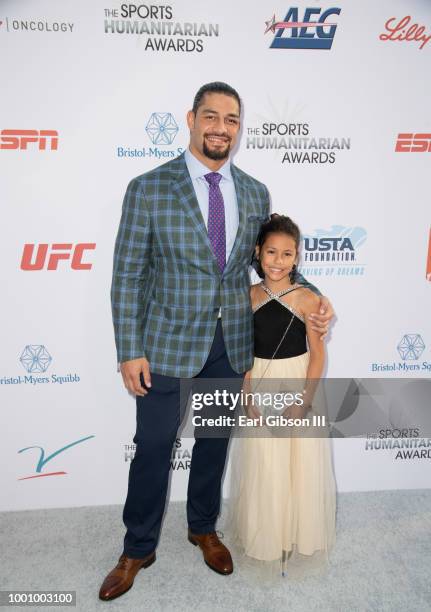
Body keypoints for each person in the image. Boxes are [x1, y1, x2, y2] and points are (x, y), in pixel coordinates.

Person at [99, 82, 334, 601]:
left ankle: (203, 527)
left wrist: (313, 294)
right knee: (154, 447)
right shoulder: (149, 188)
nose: (220, 127)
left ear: (239, 128)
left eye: (231, 119)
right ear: (191, 119)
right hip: (163, 345)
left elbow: (271, 265)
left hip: (230, 344)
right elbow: (128, 276)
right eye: (211, 116)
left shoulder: (253, 192)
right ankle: (137, 547)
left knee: (213, 445)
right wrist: (128, 349)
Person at [229, 214, 336, 579]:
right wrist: (247, 395)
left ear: (297, 257)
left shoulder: (309, 299)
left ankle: (296, 533)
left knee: (297, 463)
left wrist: (305, 401)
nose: (277, 261)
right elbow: (243, 353)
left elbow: (318, 354)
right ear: (258, 253)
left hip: (295, 385)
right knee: (265, 462)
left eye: (287, 254)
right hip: (259, 384)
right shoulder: (249, 296)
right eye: (271, 252)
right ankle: (267, 537)